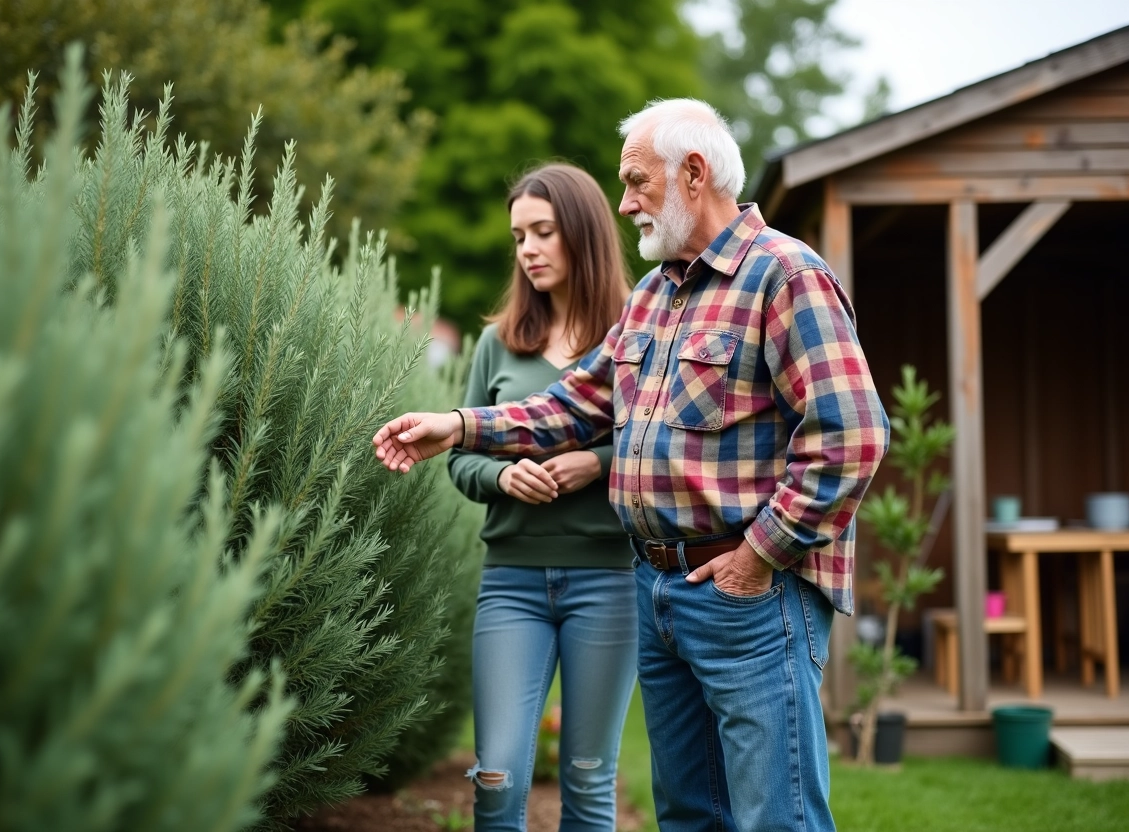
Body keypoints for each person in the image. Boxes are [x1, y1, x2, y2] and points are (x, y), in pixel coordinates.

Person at [374, 99, 890, 832]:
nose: (625, 203)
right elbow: (571, 406)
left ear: (693, 172)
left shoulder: (783, 274)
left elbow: (852, 435)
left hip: (748, 597)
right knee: (688, 816)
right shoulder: (654, 295)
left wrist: (759, 555)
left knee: (776, 816)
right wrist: (457, 427)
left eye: (637, 181)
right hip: (660, 590)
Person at [449, 163, 637, 832]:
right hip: (513, 584)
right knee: (496, 775)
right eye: (518, 236)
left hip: (609, 581)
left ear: (582, 234)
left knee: (589, 778)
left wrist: (599, 462)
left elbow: (665, 449)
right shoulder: (498, 343)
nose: (526, 249)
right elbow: (461, 456)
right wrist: (501, 477)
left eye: (543, 232)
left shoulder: (638, 337)